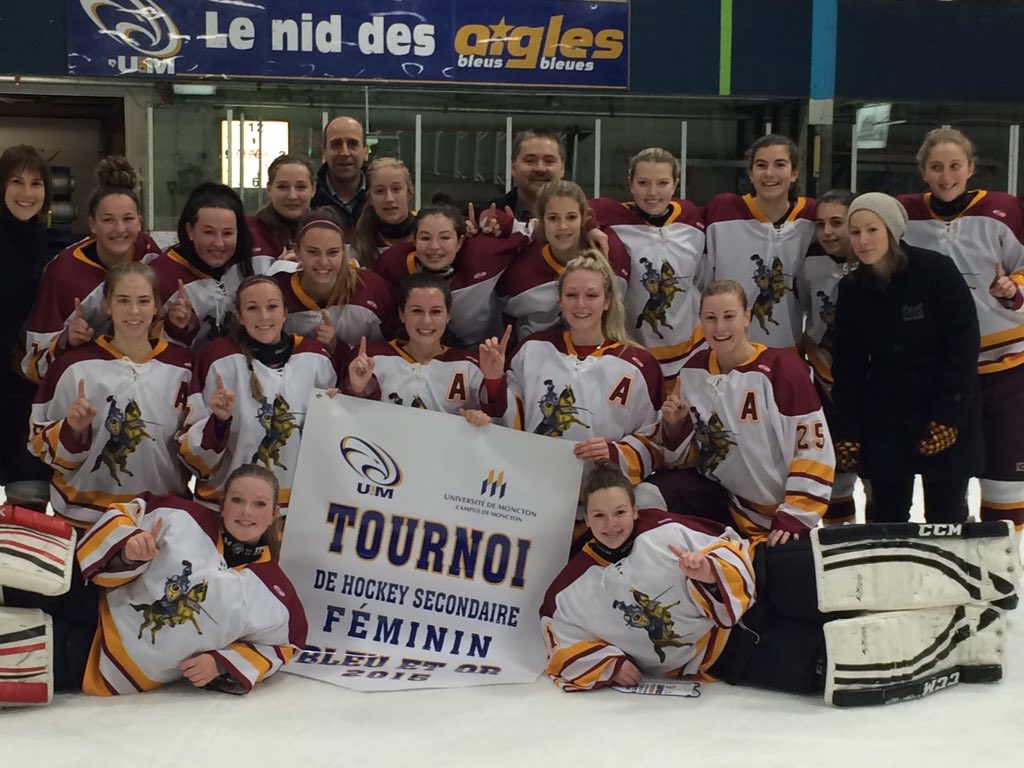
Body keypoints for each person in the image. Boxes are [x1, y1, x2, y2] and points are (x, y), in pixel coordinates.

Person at [540, 461, 1015, 705]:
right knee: (826, 664)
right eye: (599, 515)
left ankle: (968, 569)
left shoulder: (660, 526)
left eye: (620, 511)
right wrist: (605, 663)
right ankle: (963, 643)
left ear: (634, 507)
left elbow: (727, 542)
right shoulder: (569, 591)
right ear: (586, 516)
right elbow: (559, 643)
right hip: (729, 652)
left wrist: (710, 572)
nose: (611, 523)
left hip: (763, 579)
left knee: (845, 573)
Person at [0, 464, 307, 701]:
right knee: (18, 568)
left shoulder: (276, 594)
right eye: (237, 500)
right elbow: (125, 515)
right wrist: (129, 548)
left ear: (274, 514)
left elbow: (284, 645)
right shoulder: (181, 516)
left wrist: (221, 663)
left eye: (259, 504)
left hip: (99, 659)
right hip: (87, 598)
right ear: (223, 503)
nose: (245, 512)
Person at [898, 128, 1024, 531]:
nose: (946, 175)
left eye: (955, 166)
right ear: (923, 172)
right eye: (936, 167)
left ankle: (1004, 565)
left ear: (970, 168)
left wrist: (1013, 288)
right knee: (945, 474)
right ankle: (951, 557)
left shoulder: (1002, 210)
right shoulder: (907, 215)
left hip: (1003, 366)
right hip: (939, 372)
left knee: (1005, 475)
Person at [831, 193, 982, 524]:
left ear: (892, 230)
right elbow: (848, 366)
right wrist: (848, 430)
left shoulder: (936, 271)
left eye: (872, 230)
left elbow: (963, 347)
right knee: (887, 518)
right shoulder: (852, 289)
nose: (863, 240)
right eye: (855, 232)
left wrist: (949, 418)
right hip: (886, 415)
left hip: (942, 405)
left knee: (946, 518)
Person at [659, 280, 835, 544]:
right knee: (651, 494)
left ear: (747, 317)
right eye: (710, 318)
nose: (720, 327)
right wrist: (675, 426)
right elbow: (687, 455)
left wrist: (796, 513)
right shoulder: (692, 371)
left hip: (777, 514)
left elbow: (813, 448)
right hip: (721, 498)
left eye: (729, 316)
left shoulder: (783, 370)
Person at [28, 262, 193, 528]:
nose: (135, 311)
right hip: (84, 517)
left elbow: (194, 448)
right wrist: (72, 431)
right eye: (123, 300)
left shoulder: (183, 367)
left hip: (160, 517)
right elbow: (38, 442)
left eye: (143, 300)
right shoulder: (71, 366)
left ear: (156, 306)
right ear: (107, 305)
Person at [483, 250, 662, 485]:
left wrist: (614, 452)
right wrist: (494, 380)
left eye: (591, 295)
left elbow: (654, 440)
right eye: (571, 295)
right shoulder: (532, 349)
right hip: (533, 488)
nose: (580, 304)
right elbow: (507, 424)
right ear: (559, 299)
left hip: (602, 500)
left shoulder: (639, 364)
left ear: (607, 300)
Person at [178, 276, 336, 509]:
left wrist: (337, 411)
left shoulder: (316, 357)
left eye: (272, 307)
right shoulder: (217, 359)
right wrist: (218, 422)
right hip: (228, 507)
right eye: (252, 308)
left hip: (295, 511)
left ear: (285, 313)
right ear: (240, 316)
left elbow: (331, 447)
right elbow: (193, 458)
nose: (264, 317)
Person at [23, 156, 162, 383]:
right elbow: (33, 364)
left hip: (140, 382)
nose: (120, 229)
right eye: (108, 220)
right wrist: (67, 339)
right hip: (85, 388)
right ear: (92, 225)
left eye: (128, 219)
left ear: (139, 221)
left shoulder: (149, 253)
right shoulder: (63, 272)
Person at [589, 147, 707, 379]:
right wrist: (588, 226)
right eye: (643, 183)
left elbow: (701, 279)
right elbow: (566, 211)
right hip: (633, 352)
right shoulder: (610, 216)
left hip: (692, 350)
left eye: (662, 183)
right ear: (630, 183)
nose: (653, 192)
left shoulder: (692, 218)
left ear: (676, 184)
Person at [704, 134, 817, 350]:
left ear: (794, 174)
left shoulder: (811, 218)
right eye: (761, 165)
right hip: (728, 348)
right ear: (751, 173)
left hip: (786, 347)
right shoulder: (722, 212)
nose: (769, 173)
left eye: (780, 165)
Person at [374, 205, 527, 347]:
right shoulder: (391, 263)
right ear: (414, 240)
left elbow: (532, 231)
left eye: (445, 237)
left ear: (460, 241)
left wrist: (505, 225)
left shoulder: (484, 254)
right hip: (418, 349)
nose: (434, 246)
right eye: (425, 238)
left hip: (481, 349)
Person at [497, 180, 630, 343]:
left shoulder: (610, 253)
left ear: (584, 219)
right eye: (553, 218)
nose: (563, 226)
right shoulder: (519, 271)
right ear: (540, 220)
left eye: (571, 217)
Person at [343, 273, 488, 416]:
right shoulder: (370, 357)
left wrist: (493, 386)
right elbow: (347, 414)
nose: (426, 321)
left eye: (436, 312)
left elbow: (497, 417)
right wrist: (356, 390)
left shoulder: (471, 365)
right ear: (402, 314)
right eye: (417, 311)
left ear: (448, 315)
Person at [800, 189, 858, 525]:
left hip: (872, 384)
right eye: (821, 224)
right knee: (835, 474)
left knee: (878, 474)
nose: (828, 232)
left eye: (838, 223)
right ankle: (842, 547)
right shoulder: (810, 259)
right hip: (825, 381)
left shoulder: (875, 259)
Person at [0, 145, 53, 510]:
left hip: (23, 387)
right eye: (16, 182)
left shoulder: (50, 242)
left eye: (36, 183)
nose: (27, 193)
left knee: (28, 499)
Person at [151, 182, 256, 353]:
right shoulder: (160, 276)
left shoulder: (246, 266)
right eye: (209, 232)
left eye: (228, 233)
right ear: (190, 231)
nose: (219, 243)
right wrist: (175, 328)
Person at [274, 209, 395, 354]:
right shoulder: (278, 291)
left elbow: (394, 354)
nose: (323, 262)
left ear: (344, 252)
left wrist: (337, 348)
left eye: (333, 252)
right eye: (313, 252)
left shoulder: (374, 289)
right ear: (297, 252)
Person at [349, 157, 416, 269]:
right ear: (370, 198)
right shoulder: (357, 246)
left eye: (396, 189)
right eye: (380, 191)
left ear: (409, 193)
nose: (389, 199)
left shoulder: (428, 234)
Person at [247, 154, 316, 261]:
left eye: (301, 187)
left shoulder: (329, 233)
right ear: (269, 189)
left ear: (313, 189)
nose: (292, 196)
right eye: (282, 187)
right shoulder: (249, 235)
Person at [487, 130, 565, 222]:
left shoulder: (584, 222)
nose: (540, 169)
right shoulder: (487, 218)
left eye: (549, 161)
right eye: (530, 161)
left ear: (562, 169)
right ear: (513, 168)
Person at [311, 115, 368, 231]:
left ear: (365, 152)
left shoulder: (381, 197)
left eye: (352, 144)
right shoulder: (309, 199)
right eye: (336, 144)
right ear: (324, 152)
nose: (345, 153)